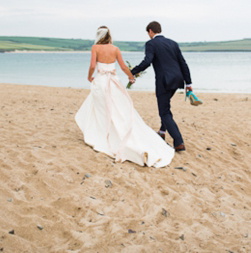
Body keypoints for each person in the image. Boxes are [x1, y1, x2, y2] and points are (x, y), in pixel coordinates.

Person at [75, 26, 175, 168]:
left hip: (101, 82)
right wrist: (131, 77)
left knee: (102, 109)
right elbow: (122, 66)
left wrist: (89, 76)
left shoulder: (95, 47)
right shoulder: (115, 49)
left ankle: (104, 134)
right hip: (115, 82)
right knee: (118, 109)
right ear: (109, 35)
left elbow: (92, 65)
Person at [129, 21, 192, 152]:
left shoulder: (151, 43)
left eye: (148, 33)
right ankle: (162, 132)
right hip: (177, 80)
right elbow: (183, 63)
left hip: (164, 81)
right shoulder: (173, 43)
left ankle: (179, 142)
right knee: (166, 106)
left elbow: (147, 61)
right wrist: (189, 83)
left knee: (164, 112)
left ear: (151, 31)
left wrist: (132, 71)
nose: (148, 35)